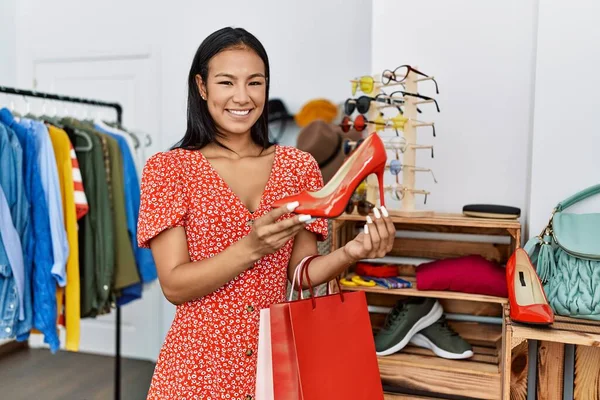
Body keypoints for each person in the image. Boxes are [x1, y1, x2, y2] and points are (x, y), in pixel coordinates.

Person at [137, 27, 396, 399]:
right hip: (197, 369)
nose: (242, 97)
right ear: (202, 86)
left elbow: (300, 274)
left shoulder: (298, 166)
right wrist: (251, 247)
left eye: (255, 82)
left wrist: (352, 252)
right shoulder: (169, 169)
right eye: (227, 82)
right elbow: (175, 286)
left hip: (278, 363)